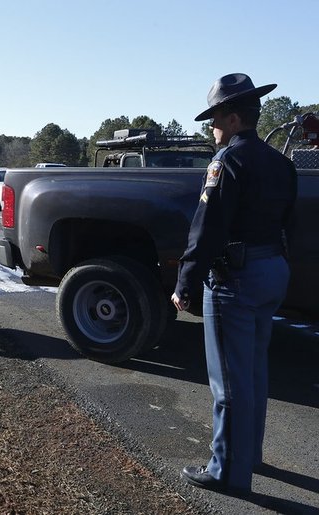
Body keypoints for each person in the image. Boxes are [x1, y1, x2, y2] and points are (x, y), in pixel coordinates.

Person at [171, 73, 297, 494]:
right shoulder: (282, 163)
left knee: (228, 381)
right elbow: (287, 223)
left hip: (236, 280)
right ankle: (250, 454)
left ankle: (227, 471)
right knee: (254, 373)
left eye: (215, 117)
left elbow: (206, 229)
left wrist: (186, 282)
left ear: (234, 117)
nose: (211, 126)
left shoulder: (226, 161)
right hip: (272, 271)